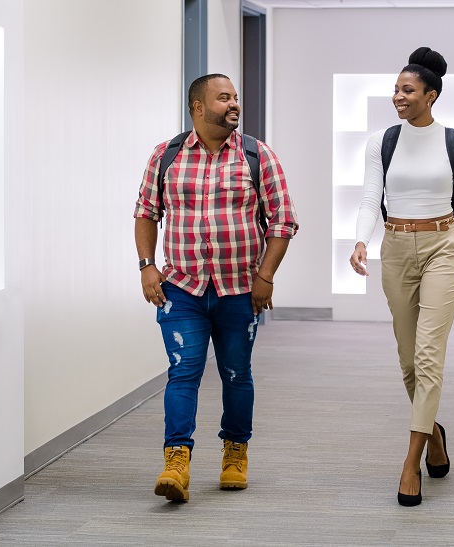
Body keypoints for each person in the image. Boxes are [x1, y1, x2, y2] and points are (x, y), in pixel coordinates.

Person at [348, 47, 454, 507]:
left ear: (431, 95)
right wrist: (361, 239)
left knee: (427, 356)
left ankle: (410, 462)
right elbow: (369, 199)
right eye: (396, 90)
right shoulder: (381, 141)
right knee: (407, 361)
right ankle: (435, 437)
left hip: (444, 246)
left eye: (407, 90)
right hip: (395, 247)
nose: (398, 97)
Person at [133, 74, 299, 502]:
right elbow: (146, 212)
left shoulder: (256, 156)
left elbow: (282, 221)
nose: (233, 105)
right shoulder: (166, 156)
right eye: (223, 98)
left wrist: (264, 277)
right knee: (183, 372)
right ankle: (176, 462)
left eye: (235, 98)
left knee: (235, 374)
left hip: (239, 290)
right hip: (182, 289)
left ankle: (235, 453)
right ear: (197, 107)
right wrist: (147, 266)